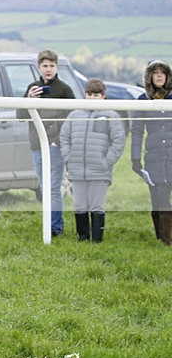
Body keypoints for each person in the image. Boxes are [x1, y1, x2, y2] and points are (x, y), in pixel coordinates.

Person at [17, 50, 75, 236]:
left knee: (54, 187)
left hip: (55, 145)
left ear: (56, 67)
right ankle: (48, 223)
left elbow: (71, 118)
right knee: (44, 187)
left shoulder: (65, 90)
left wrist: (58, 141)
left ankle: (55, 227)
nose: (48, 70)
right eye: (45, 66)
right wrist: (29, 100)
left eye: (51, 66)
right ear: (38, 67)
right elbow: (21, 116)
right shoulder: (32, 87)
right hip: (36, 144)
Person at [60, 79, 126, 242]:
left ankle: (97, 239)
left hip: (99, 170)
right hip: (77, 169)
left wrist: (106, 161)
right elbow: (64, 136)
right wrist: (69, 157)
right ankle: (82, 237)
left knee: (96, 206)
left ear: (103, 96)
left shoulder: (111, 116)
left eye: (96, 95)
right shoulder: (75, 114)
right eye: (89, 94)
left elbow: (118, 141)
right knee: (80, 206)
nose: (92, 98)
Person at [131, 59, 172, 244]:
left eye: (162, 72)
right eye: (155, 73)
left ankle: (167, 238)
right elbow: (137, 130)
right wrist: (134, 158)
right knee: (157, 198)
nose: (159, 76)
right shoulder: (143, 100)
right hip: (154, 156)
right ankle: (162, 237)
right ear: (150, 76)